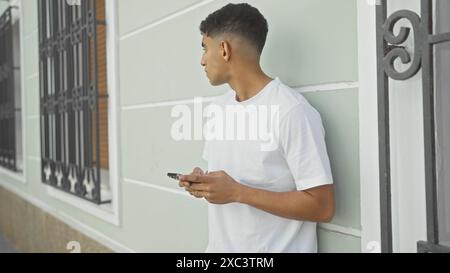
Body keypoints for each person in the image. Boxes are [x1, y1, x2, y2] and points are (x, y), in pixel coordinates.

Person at [178, 3, 335, 253]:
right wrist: (204, 182)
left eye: (205, 48)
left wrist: (238, 192)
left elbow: (322, 207)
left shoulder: (291, 111)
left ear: (224, 49)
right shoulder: (218, 109)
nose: (202, 60)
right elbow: (229, 179)